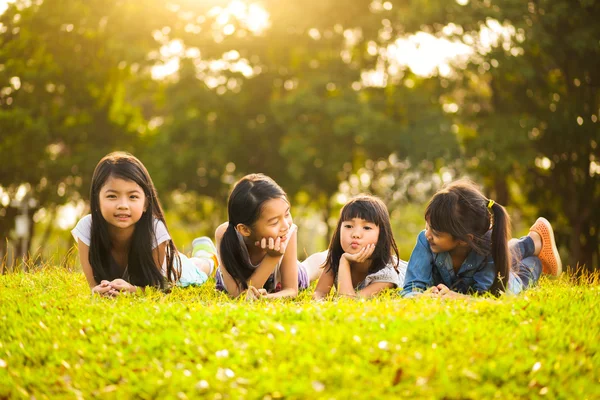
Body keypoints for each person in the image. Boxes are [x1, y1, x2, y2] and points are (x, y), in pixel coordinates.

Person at [72, 152, 217, 296]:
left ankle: (208, 256)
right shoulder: (87, 227)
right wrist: (98, 290)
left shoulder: (155, 230)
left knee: (197, 268)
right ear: (97, 200)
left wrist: (135, 291)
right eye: (112, 196)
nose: (123, 205)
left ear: (146, 203)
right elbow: (93, 286)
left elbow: (158, 288)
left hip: (167, 270)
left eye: (133, 197)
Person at [401, 179, 562, 298]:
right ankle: (529, 243)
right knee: (503, 252)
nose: (427, 234)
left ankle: (535, 250)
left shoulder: (488, 248)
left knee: (519, 280)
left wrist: (458, 298)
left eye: (436, 233)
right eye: (427, 226)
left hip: (504, 274)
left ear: (464, 239)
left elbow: (490, 297)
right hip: (490, 250)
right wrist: (424, 296)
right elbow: (410, 289)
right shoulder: (425, 241)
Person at [214, 173, 320, 299]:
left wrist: (266, 298)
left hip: (285, 274)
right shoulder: (224, 234)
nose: (286, 225)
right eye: (274, 222)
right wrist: (272, 257)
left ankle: (334, 252)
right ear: (244, 229)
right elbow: (240, 296)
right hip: (241, 276)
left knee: (311, 267)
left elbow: (291, 290)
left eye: (287, 214)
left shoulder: (287, 231)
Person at [311, 195, 407, 299]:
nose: (356, 234)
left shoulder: (387, 273)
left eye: (366, 227)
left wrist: (345, 261)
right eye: (348, 226)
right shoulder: (335, 258)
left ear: (382, 235)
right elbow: (319, 293)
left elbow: (348, 301)